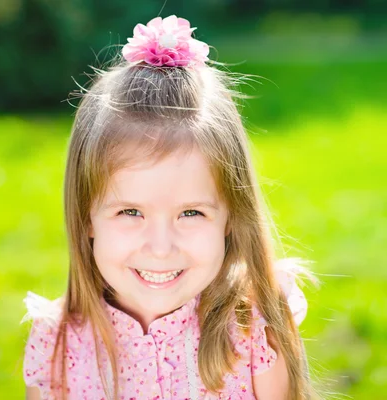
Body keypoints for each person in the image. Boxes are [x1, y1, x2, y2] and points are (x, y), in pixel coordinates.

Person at [22, 15, 315, 400]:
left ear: (231, 215)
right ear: (86, 215)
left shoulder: (255, 330)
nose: (161, 247)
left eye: (191, 213)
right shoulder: (58, 345)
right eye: (130, 212)